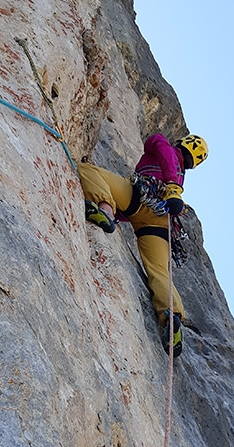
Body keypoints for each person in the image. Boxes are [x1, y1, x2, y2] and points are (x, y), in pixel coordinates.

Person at [78, 133, 208, 357]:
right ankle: (171, 316)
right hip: (159, 223)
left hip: (141, 199)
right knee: (159, 270)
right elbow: (168, 163)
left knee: (88, 170)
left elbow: (163, 149)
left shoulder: (163, 148)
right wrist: (172, 190)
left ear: (183, 142)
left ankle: (105, 212)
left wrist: (173, 190)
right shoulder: (178, 175)